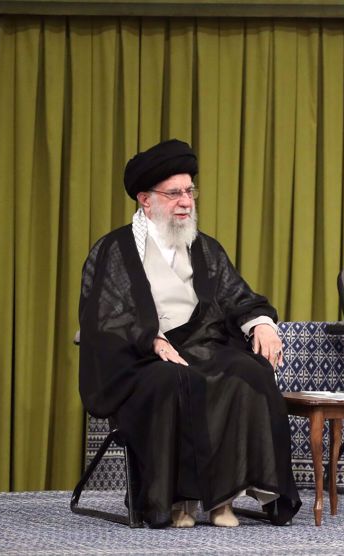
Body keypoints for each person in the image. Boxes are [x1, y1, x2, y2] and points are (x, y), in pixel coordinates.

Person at [78, 139, 301, 528]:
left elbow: (238, 296)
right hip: (141, 359)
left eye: (189, 191)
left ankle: (223, 501)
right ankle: (177, 501)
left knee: (250, 372)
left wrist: (261, 324)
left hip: (203, 345)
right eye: (174, 193)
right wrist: (150, 337)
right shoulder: (114, 249)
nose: (186, 201)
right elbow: (103, 313)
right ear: (146, 200)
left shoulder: (205, 248)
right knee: (173, 379)